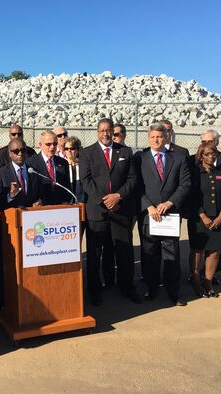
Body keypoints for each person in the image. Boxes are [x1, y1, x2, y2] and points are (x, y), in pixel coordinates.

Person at [80, 119, 141, 306]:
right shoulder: (87, 152)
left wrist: (118, 196)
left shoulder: (125, 151)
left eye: (109, 131)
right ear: (97, 132)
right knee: (94, 254)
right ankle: (95, 290)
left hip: (120, 210)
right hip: (97, 211)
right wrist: (105, 200)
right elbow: (86, 180)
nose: (105, 134)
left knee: (124, 252)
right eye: (102, 130)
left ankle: (127, 287)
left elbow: (132, 179)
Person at [135, 123, 191, 307]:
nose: (156, 140)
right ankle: (151, 289)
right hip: (149, 216)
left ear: (166, 137)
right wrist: (148, 206)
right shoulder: (140, 158)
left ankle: (173, 292)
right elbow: (135, 186)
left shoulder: (178, 158)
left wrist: (169, 202)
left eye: (159, 136)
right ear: (148, 138)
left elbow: (185, 185)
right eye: (153, 137)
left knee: (171, 256)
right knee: (150, 255)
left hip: (170, 216)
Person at [0, 138, 43, 310]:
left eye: (23, 150)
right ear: (9, 153)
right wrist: (10, 196)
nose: (20, 154)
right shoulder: (1, 172)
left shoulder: (33, 170)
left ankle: (27, 303)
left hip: (30, 229)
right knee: (7, 268)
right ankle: (3, 304)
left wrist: (38, 202)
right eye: (15, 151)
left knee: (29, 268)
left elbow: (35, 195)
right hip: (10, 230)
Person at [187, 143, 221, 297]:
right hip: (199, 219)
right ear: (201, 156)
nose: (211, 156)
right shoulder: (195, 173)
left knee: (215, 251)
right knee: (198, 250)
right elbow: (192, 196)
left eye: (213, 154)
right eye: (207, 154)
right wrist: (202, 215)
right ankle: (196, 280)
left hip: (218, 218)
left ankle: (208, 281)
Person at [27, 130, 73, 205]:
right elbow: (29, 190)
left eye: (55, 144)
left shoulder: (63, 163)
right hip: (40, 209)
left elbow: (67, 187)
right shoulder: (30, 164)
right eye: (48, 144)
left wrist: (66, 201)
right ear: (40, 145)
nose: (52, 147)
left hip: (60, 207)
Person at [63, 136, 84, 202]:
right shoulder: (61, 166)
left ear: (77, 150)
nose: (69, 151)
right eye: (66, 149)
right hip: (67, 202)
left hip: (81, 201)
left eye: (72, 148)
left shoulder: (83, 165)